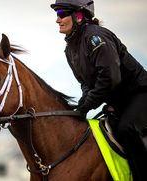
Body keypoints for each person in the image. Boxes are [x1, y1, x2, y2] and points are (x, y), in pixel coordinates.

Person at [50, 0, 147, 180]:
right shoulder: (69, 49)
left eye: (62, 14)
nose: (57, 20)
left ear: (79, 15)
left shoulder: (96, 37)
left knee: (126, 129)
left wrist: (86, 105)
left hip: (140, 93)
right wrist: (81, 106)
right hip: (118, 103)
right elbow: (86, 84)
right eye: (57, 14)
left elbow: (110, 78)